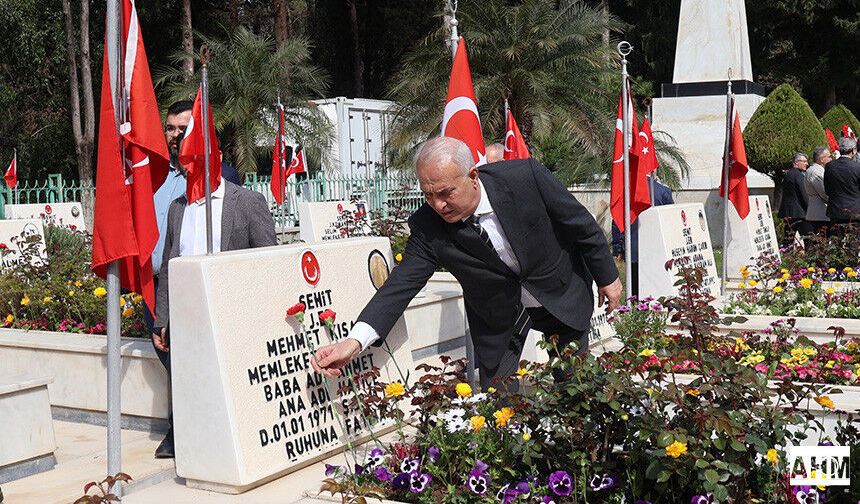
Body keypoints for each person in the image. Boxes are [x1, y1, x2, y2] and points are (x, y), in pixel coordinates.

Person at [311, 137, 622, 389]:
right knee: (497, 402)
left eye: (446, 193)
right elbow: (398, 287)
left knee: (574, 386)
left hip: (559, 292)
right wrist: (354, 342)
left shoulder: (526, 178)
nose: (438, 205)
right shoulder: (428, 226)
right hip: (498, 315)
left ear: (473, 176)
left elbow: (581, 225)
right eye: (428, 195)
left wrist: (608, 278)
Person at [149, 177, 276, 458]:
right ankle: (181, 436)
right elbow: (171, 267)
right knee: (185, 378)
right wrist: (162, 318)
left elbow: (268, 262)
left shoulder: (246, 201)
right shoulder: (178, 208)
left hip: (236, 315)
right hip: (189, 315)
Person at [612, 176, 674, 297]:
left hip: (632, 248)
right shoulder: (664, 191)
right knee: (656, 283)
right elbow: (670, 219)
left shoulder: (626, 191)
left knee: (634, 287)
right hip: (657, 247)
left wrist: (617, 249)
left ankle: (635, 308)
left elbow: (617, 222)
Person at [824, 137, 860, 230]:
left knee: (835, 241)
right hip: (855, 211)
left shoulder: (829, 166)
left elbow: (827, 190)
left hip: (835, 210)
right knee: (853, 241)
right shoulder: (857, 167)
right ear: (853, 150)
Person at [778, 152, 809, 246]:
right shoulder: (799, 176)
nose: (806, 164)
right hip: (799, 213)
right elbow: (804, 195)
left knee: (788, 240)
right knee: (809, 239)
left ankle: (786, 258)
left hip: (788, 212)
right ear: (796, 163)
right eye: (804, 161)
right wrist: (810, 208)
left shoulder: (788, 174)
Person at [804, 146, 832, 238]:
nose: (831, 158)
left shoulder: (818, 170)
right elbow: (824, 193)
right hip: (819, 214)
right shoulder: (815, 172)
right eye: (829, 156)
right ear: (821, 159)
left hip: (820, 213)